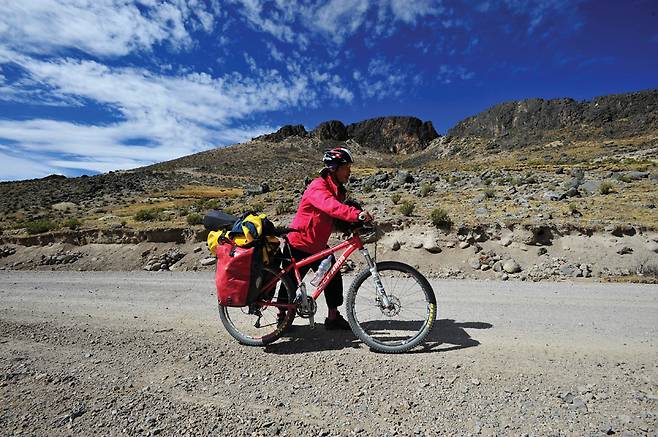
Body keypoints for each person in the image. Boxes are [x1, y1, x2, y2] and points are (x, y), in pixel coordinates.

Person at [281, 146, 373, 330]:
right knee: (289, 282)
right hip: (299, 243)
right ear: (335, 168)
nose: (349, 171)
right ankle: (281, 316)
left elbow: (337, 216)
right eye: (346, 167)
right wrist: (356, 215)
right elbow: (330, 207)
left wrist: (356, 222)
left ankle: (332, 317)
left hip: (318, 245)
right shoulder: (318, 186)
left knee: (333, 276)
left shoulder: (339, 191)